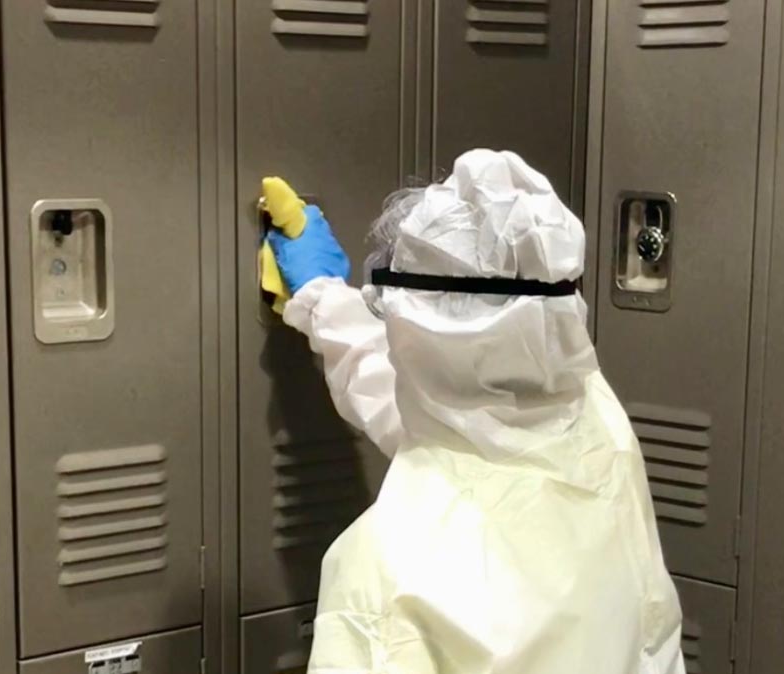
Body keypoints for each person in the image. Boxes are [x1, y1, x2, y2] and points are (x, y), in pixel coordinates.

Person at [261, 149, 686, 674]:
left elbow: (438, 386)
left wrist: (320, 295)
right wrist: (321, 299)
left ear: (416, 327)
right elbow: (449, 395)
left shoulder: (386, 567)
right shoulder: (598, 422)